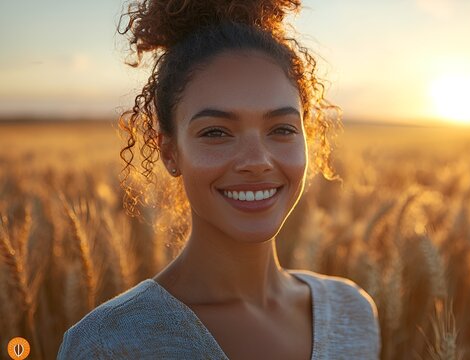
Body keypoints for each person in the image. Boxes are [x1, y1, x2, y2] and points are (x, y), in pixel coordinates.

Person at [56, 0, 381, 359]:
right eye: (216, 133)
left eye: (282, 129)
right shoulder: (107, 344)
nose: (257, 161)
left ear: (309, 136)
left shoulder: (354, 314)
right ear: (170, 152)